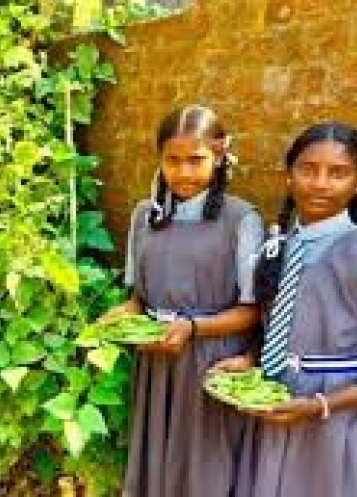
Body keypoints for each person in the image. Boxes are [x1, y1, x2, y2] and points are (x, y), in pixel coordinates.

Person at [216, 122, 357, 497]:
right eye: (308, 169)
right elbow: (282, 324)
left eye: (338, 173)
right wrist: (250, 359)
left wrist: (322, 405)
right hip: (275, 406)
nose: (321, 184)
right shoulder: (275, 249)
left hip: (339, 422)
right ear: (288, 176)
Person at [99, 105, 264, 497]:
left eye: (196, 160)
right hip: (156, 360)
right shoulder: (144, 216)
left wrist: (191, 328)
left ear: (219, 156)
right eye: (172, 160)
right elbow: (140, 299)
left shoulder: (242, 220)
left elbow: (252, 311)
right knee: (156, 463)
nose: (184, 173)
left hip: (210, 363)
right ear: (159, 159)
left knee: (204, 467)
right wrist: (124, 315)